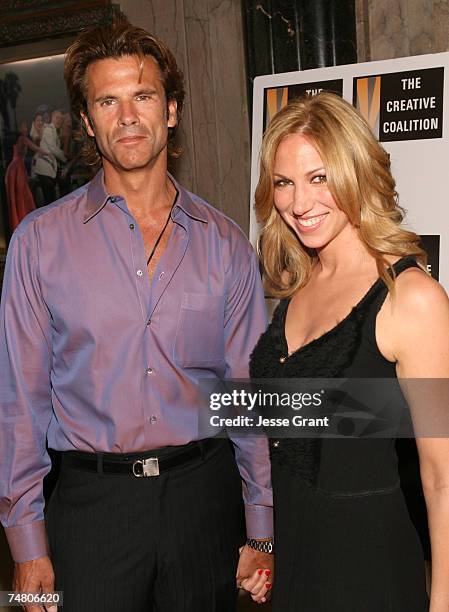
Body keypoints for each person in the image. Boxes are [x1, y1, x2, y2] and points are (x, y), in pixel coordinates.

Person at [0, 18, 274, 612]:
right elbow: (21, 403)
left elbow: (247, 394)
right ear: (88, 121)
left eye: (143, 96)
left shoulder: (225, 244)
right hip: (90, 511)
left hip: (205, 501)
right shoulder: (39, 243)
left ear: (171, 110)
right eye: (108, 100)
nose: (127, 115)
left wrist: (261, 524)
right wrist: (26, 542)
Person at [249, 92, 449, 611]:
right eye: (284, 182)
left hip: (368, 572)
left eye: (319, 177)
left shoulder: (412, 298)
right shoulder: (298, 286)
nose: (299, 202)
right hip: (296, 566)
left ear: (356, 171)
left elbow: (442, 475)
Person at [5, 120, 48, 230]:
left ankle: (20, 219)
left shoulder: (22, 139)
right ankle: (23, 220)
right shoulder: (23, 139)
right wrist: (49, 154)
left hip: (15, 167)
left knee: (20, 194)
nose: (25, 128)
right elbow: (35, 148)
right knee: (22, 194)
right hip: (17, 167)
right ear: (20, 128)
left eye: (26, 126)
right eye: (23, 126)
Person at [33, 108, 67, 206]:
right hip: (45, 170)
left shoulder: (53, 131)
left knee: (50, 199)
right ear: (52, 117)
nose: (59, 120)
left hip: (49, 170)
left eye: (61, 119)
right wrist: (65, 159)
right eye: (57, 118)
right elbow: (53, 148)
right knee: (49, 201)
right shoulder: (48, 129)